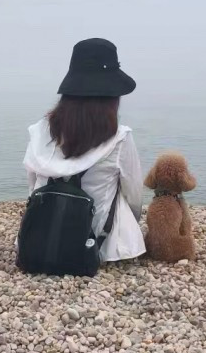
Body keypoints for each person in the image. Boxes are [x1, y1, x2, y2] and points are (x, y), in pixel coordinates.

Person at [22, 38, 145, 263]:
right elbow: (134, 194)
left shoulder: (41, 131)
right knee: (121, 189)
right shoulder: (119, 138)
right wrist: (133, 222)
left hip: (40, 238)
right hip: (94, 243)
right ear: (112, 96)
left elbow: (32, 184)